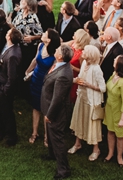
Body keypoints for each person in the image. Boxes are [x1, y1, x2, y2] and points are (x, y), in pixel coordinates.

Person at [42, 45, 75, 179]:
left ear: (60, 56)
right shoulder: (59, 64)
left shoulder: (63, 75)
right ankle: (52, 154)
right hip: (49, 104)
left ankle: (64, 170)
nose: (55, 50)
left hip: (57, 111)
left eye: (57, 50)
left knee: (57, 139)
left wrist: (50, 115)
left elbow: (58, 98)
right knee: (51, 135)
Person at [69, 44, 104, 160]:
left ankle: (96, 149)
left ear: (90, 55)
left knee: (92, 125)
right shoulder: (84, 63)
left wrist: (89, 85)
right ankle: (77, 144)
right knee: (79, 119)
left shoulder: (96, 69)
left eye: (85, 51)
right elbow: (80, 77)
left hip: (92, 100)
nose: (82, 52)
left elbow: (103, 88)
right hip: (81, 96)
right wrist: (75, 80)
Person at [27, 29, 60, 145]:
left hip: (46, 82)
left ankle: (47, 136)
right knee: (35, 107)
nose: (43, 34)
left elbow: (55, 69)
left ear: (49, 40)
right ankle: (34, 132)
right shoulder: (41, 45)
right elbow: (35, 60)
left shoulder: (55, 53)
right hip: (36, 79)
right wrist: (28, 70)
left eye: (45, 34)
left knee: (46, 109)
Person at [0, 28, 24, 146]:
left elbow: (12, 77)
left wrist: (5, 90)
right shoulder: (9, 46)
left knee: (7, 113)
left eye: (8, 33)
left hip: (5, 88)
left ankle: (11, 137)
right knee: (0, 111)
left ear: (9, 37)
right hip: (0, 83)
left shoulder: (13, 55)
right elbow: (1, 57)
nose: (6, 33)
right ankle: (1, 131)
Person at [103, 54, 123, 165]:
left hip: (120, 112)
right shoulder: (113, 75)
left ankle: (119, 156)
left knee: (120, 135)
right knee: (110, 131)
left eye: (115, 60)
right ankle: (110, 153)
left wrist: (122, 119)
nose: (114, 60)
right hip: (110, 109)